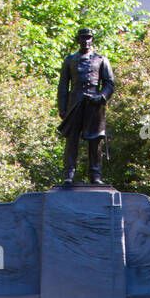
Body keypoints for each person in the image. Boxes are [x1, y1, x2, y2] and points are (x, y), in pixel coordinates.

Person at [57, 28, 115, 185]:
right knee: (71, 140)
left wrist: (100, 97)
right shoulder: (69, 61)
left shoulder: (101, 60)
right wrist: (62, 108)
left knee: (95, 140)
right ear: (78, 40)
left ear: (92, 39)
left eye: (88, 38)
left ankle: (95, 174)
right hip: (74, 105)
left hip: (94, 107)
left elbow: (109, 84)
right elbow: (63, 86)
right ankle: (69, 173)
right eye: (83, 38)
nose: (86, 41)